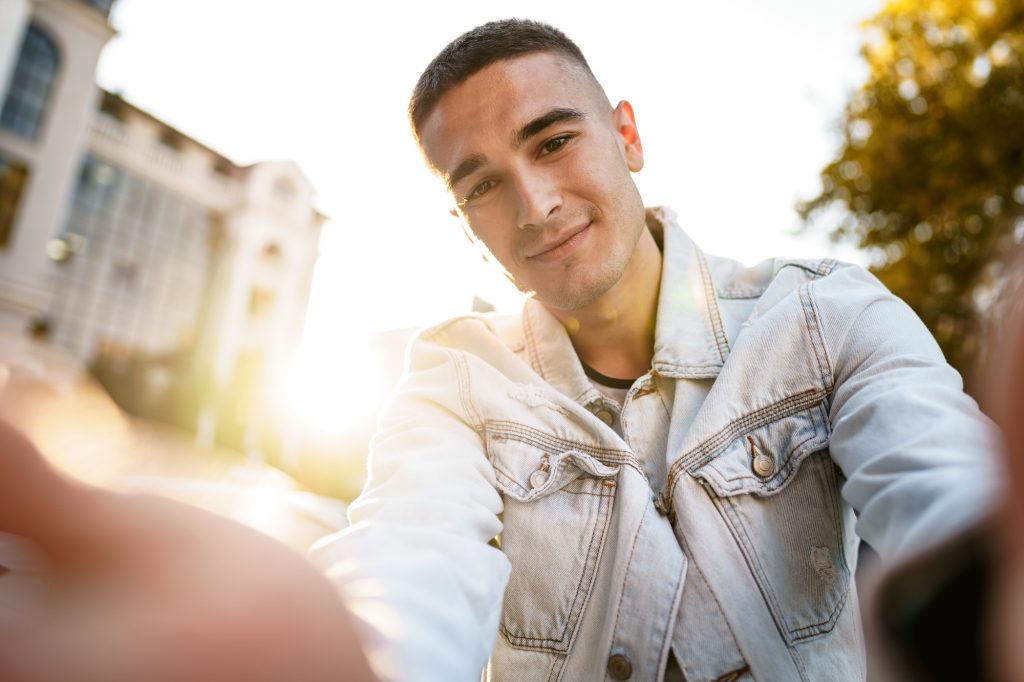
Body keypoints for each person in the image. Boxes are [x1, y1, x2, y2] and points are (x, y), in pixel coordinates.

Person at [311, 18, 1000, 682]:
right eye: (484, 185)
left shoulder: (829, 320)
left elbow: (946, 489)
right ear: (466, 229)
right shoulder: (455, 383)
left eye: (552, 142)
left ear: (628, 137)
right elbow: (407, 564)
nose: (536, 204)